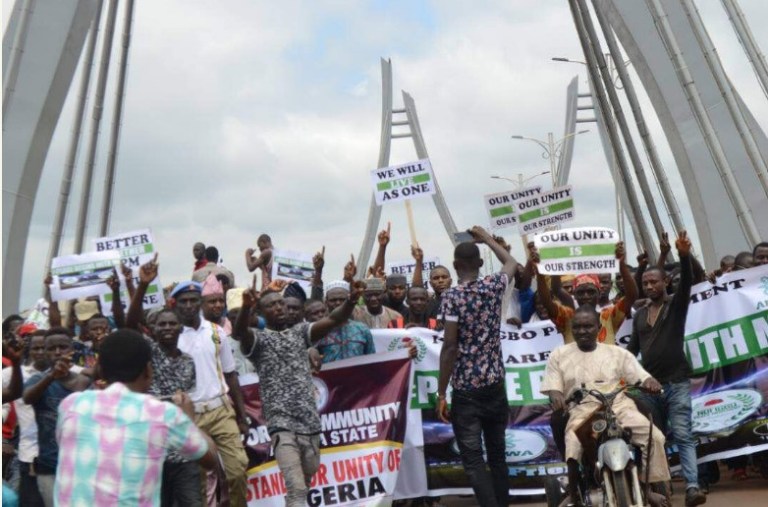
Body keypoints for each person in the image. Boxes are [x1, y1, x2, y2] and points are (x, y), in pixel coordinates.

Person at [232, 281, 366, 507]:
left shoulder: (300, 332)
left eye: (281, 304)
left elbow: (334, 319)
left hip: (309, 422)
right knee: (296, 488)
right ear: (262, 312)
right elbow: (239, 332)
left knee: (305, 482)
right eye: (272, 305)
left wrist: (352, 300)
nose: (279, 308)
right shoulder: (258, 340)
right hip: (281, 424)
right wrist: (246, 308)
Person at [53, 329, 217, 505]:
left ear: (99, 369)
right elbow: (210, 459)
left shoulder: (71, 405)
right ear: (148, 370)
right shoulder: (162, 414)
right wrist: (190, 420)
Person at [541, 306, 670, 507]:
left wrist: (650, 381)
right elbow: (553, 387)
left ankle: (647, 488)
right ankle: (575, 495)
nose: (582, 331)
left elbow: (641, 376)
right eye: (577, 327)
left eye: (587, 326)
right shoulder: (559, 355)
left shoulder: (617, 353)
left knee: (655, 437)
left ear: (599, 327)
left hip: (619, 405)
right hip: (582, 409)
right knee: (573, 448)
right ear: (571, 328)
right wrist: (556, 395)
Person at [436, 226, 518, 507]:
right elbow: (511, 263)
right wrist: (487, 239)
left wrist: (441, 393)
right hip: (495, 387)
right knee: (497, 456)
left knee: (473, 459)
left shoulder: (452, 297)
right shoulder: (494, 286)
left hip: (466, 393)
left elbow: (449, 347)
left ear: (456, 266)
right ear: (481, 263)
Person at [627, 230, 707, 507]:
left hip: (677, 382)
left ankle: (693, 488)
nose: (649, 286)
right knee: (653, 440)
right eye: (645, 282)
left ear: (665, 283)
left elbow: (687, 284)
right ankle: (660, 490)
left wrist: (684, 256)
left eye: (654, 282)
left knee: (684, 434)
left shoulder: (676, 306)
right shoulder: (638, 316)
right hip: (649, 388)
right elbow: (630, 354)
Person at [172, 281, 249, 507]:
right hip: (190, 416)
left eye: (193, 300)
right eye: (183, 301)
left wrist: (242, 416)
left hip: (220, 410)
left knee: (237, 469)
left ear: (200, 303)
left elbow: (231, 374)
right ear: (176, 305)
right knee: (200, 482)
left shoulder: (217, 333)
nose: (188, 305)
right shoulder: (172, 335)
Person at [22, 328, 91, 506]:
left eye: (63, 347)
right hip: (49, 467)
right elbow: (28, 398)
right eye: (52, 348)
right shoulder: (37, 379)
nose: (58, 352)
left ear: (72, 350)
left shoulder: (85, 382)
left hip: (83, 466)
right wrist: (52, 376)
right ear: (45, 352)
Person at [3, 333, 47, 506]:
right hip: (27, 454)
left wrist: (15, 362)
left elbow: (13, 393)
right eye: (37, 347)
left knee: (11, 500)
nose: (41, 352)